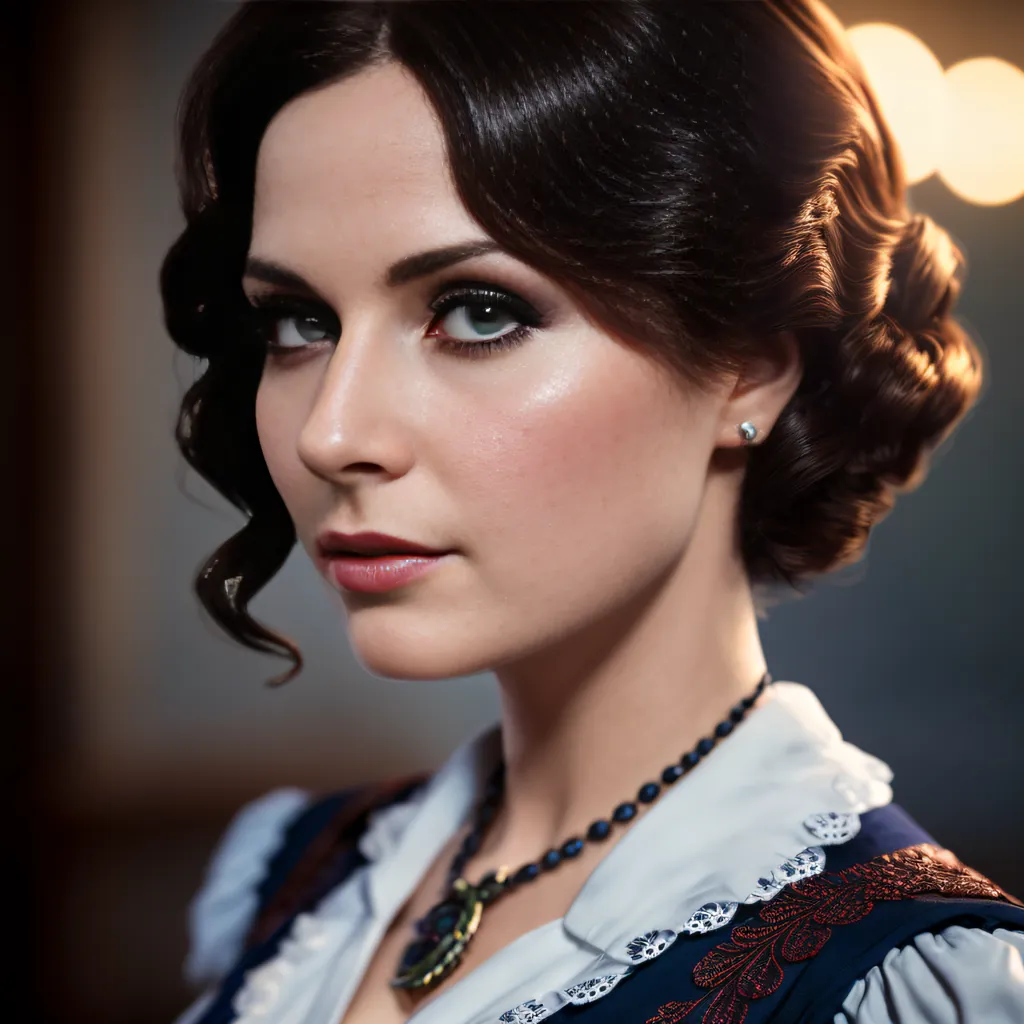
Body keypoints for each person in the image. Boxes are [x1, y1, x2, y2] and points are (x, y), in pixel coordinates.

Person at [160, 2, 1024, 1022]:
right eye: (299, 322)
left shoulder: (901, 983)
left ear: (749, 371)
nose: (330, 433)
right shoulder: (289, 877)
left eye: (478, 312)